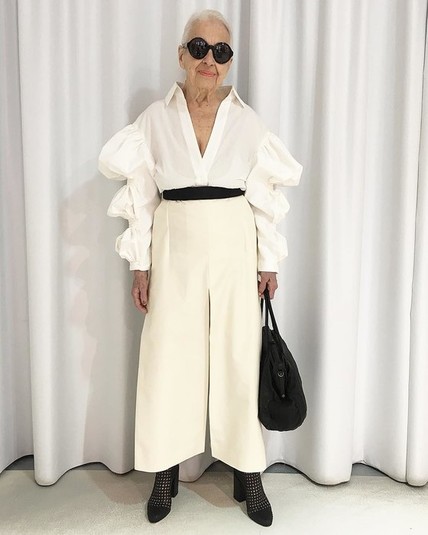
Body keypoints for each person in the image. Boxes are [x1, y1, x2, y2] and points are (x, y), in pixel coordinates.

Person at [98, 8, 302, 528]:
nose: (209, 59)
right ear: (182, 54)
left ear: (230, 61)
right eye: (199, 47)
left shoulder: (248, 123)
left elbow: (265, 200)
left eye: (221, 51)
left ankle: (248, 473)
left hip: (235, 248)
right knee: (168, 357)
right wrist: (140, 265)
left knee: (239, 356)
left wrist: (269, 261)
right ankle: (165, 471)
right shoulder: (154, 119)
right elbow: (142, 197)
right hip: (174, 247)